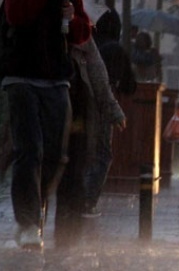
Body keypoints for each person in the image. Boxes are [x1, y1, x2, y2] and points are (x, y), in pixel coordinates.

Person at [1, 0, 91, 249]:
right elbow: (17, 15)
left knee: (56, 154)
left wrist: (72, 15)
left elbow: (81, 35)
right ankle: (28, 221)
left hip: (56, 80)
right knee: (30, 151)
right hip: (21, 78)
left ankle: (33, 206)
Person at [55, 35, 126, 247]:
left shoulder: (82, 36)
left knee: (70, 168)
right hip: (61, 112)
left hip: (75, 115)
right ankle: (64, 226)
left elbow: (98, 77)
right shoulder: (75, 36)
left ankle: (66, 228)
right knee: (67, 169)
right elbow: (99, 79)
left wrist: (114, 111)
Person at [78, 8, 135, 217]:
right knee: (102, 154)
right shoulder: (115, 50)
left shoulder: (86, 42)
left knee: (81, 152)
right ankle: (87, 201)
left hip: (78, 103)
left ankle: (73, 197)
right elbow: (130, 85)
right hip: (101, 106)